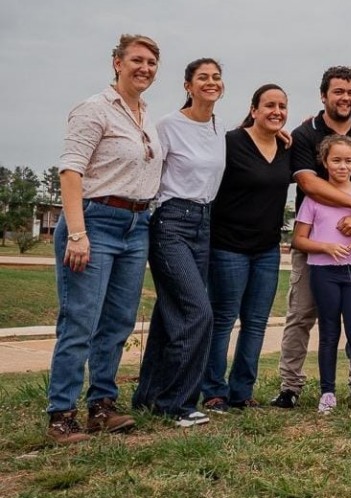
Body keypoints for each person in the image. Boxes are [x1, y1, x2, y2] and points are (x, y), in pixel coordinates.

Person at [46, 34, 162, 445]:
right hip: (95, 221)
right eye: (136, 60)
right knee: (80, 320)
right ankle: (61, 415)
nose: (144, 68)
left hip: (136, 225)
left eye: (151, 62)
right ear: (117, 62)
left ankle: (102, 406)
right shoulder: (94, 110)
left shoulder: (145, 115)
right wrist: (77, 233)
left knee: (117, 323)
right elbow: (71, 172)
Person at [271, 66, 351, 409]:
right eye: (339, 91)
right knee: (302, 313)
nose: (345, 98)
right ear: (324, 95)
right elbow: (308, 182)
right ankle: (290, 385)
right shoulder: (306, 133)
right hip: (317, 245)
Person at [131, 58, 225, 428]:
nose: (211, 82)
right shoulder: (169, 126)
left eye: (216, 77)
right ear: (188, 85)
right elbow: (148, 171)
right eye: (203, 77)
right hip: (171, 222)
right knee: (198, 312)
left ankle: (149, 396)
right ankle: (178, 404)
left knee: (170, 314)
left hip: (204, 223)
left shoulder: (219, 126)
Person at [200, 84, 293, 413]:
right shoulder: (230, 143)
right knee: (223, 319)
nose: (276, 111)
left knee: (256, 322)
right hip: (228, 247)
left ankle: (242, 391)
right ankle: (213, 390)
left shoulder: (286, 149)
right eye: (269, 105)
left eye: (282, 106)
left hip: (267, 250)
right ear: (254, 110)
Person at [293, 135, 351, 414]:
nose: (342, 166)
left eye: (348, 161)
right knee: (329, 332)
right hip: (323, 273)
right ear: (325, 162)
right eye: (336, 160)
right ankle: (327, 393)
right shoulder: (314, 198)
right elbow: (299, 240)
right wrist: (325, 246)